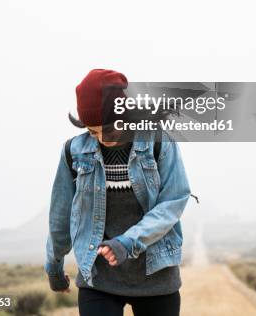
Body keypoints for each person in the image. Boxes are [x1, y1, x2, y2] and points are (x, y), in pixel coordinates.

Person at [45, 68, 192, 316]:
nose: (102, 139)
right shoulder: (73, 152)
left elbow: (172, 203)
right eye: (93, 131)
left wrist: (126, 243)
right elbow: (61, 215)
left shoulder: (159, 143)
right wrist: (54, 267)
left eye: (109, 129)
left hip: (155, 278)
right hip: (98, 279)